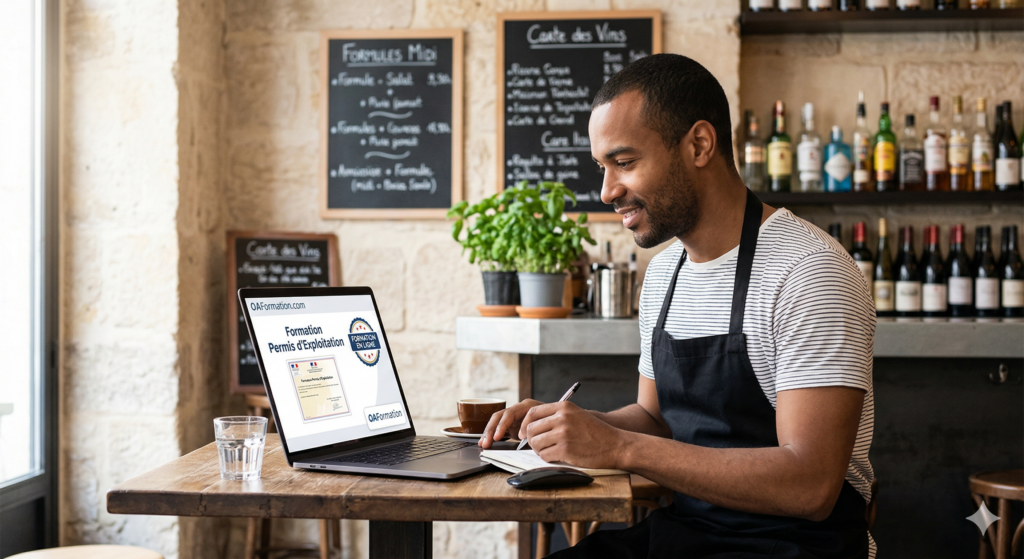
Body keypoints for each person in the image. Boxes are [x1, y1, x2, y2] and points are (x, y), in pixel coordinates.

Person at [479, 54, 876, 558]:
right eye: (602, 168)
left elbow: (811, 486)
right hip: (687, 534)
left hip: (795, 546)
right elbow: (656, 418)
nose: (607, 191)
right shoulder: (666, 273)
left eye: (624, 163)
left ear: (699, 144)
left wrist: (617, 447)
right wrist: (573, 424)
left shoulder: (809, 270)